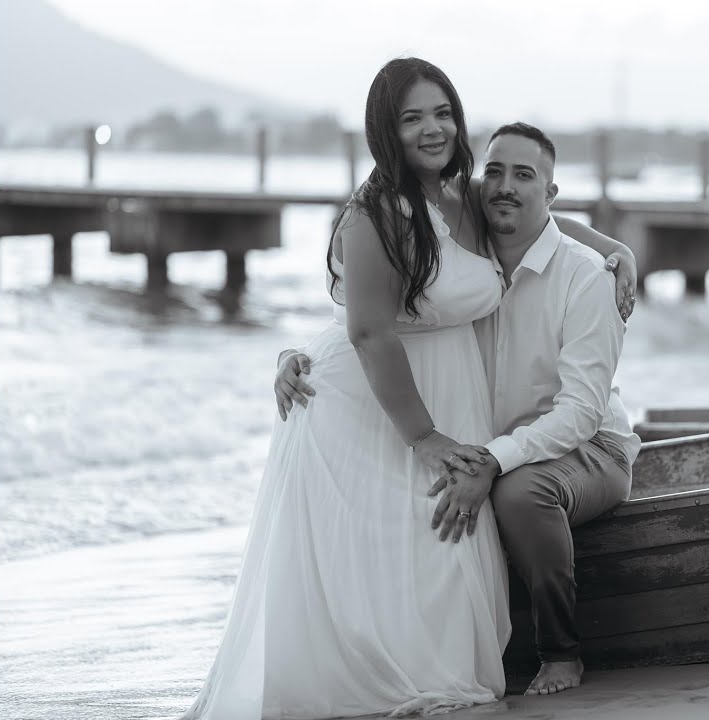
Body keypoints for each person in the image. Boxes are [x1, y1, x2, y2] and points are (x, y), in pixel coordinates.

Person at [182, 58, 636, 720]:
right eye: (413, 117)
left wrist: (616, 247)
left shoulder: (465, 198)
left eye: (443, 112)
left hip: (455, 403)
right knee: (403, 546)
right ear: (384, 130)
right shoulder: (375, 214)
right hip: (380, 406)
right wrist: (406, 425)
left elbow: (543, 219)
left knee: (443, 547)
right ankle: (378, 680)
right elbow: (366, 329)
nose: (433, 129)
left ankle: (465, 663)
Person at [280, 122, 640, 699]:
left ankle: (560, 650)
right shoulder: (470, 253)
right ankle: (389, 648)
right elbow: (387, 319)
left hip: (590, 448)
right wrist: (304, 357)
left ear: (550, 193)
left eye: (525, 176)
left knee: (519, 495)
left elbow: (579, 414)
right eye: (494, 171)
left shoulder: (586, 280)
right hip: (489, 443)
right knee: (406, 498)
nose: (505, 186)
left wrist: (492, 462)